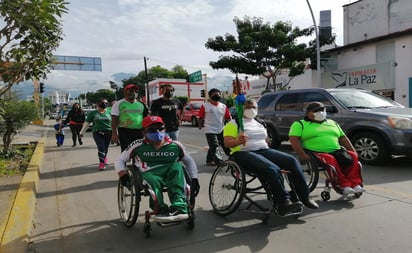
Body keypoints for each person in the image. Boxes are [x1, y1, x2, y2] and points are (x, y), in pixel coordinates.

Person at [223, 99, 319, 216]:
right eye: (248, 107)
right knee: (272, 168)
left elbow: (265, 139)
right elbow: (227, 143)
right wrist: (238, 141)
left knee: (291, 161)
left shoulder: (259, 122)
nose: (251, 110)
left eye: (253, 107)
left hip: (263, 150)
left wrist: (266, 141)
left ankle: (304, 196)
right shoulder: (234, 123)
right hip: (243, 153)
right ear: (241, 108)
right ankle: (282, 203)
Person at [115, 116, 200, 222]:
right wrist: (122, 174)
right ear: (143, 132)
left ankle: (179, 207)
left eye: (161, 128)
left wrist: (194, 178)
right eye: (152, 130)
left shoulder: (175, 145)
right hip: (149, 172)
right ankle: (160, 209)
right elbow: (120, 160)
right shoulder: (137, 145)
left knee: (178, 167)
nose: (158, 132)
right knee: (153, 182)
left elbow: (189, 161)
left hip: (170, 172)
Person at [288, 101, 365, 195]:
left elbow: (343, 138)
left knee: (353, 156)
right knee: (330, 159)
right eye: (316, 110)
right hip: (316, 152)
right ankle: (343, 185)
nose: (320, 112)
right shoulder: (300, 124)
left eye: (322, 109)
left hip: (336, 150)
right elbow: (293, 140)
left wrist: (352, 151)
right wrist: (302, 154)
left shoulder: (332, 123)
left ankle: (355, 183)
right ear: (308, 113)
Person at [111, 84, 149, 151]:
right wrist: (114, 133)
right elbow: (114, 119)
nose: (133, 93)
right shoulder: (118, 104)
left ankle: (136, 162)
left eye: (136, 91)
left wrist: (147, 131)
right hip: (124, 131)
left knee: (138, 151)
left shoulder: (141, 104)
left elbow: (146, 118)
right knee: (126, 151)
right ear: (125, 92)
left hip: (139, 131)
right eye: (131, 91)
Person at [198, 88, 231, 166]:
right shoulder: (205, 106)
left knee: (224, 144)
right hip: (210, 129)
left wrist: (229, 125)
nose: (217, 95)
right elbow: (200, 117)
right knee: (214, 145)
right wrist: (200, 125)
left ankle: (210, 160)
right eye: (214, 94)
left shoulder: (223, 106)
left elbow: (228, 117)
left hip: (221, 128)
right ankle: (219, 162)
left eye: (218, 94)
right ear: (210, 96)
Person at [80, 98, 112, 170]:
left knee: (106, 148)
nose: (104, 104)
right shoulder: (93, 113)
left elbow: (114, 123)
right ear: (98, 104)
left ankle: (104, 157)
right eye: (102, 103)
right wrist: (82, 132)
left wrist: (116, 133)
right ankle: (101, 163)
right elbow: (87, 123)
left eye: (106, 103)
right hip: (97, 133)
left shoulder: (110, 112)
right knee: (101, 148)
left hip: (109, 132)